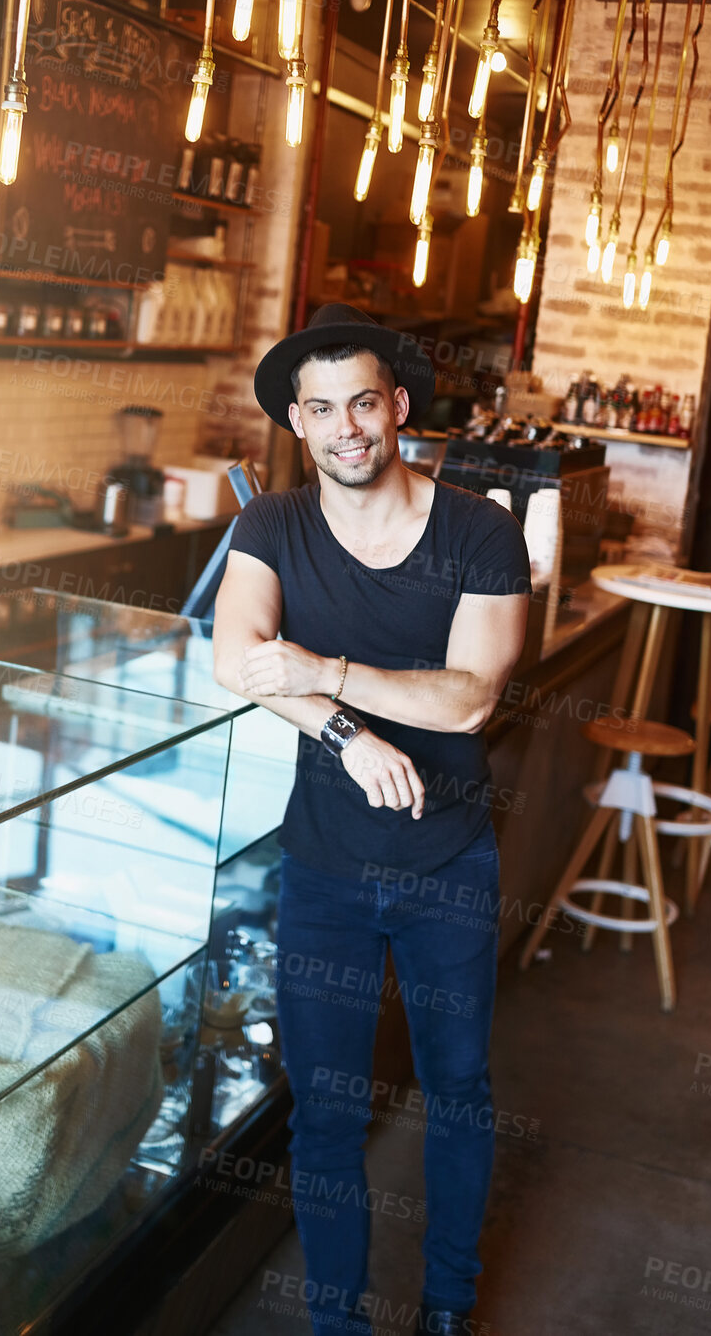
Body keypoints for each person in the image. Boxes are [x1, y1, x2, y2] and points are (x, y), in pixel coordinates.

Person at [213, 303, 531, 1336]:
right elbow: (237, 661)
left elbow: (470, 697)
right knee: (328, 1116)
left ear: (397, 406)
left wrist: (324, 673)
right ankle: (337, 1322)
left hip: (450, 862)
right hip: (325, 871)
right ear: (296, 424)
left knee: (459, 1091)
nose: (347, 427)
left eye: (364, 401)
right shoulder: (269, 526)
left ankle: (447, 1306)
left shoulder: (481, 531)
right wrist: (347, 733)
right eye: (322, 410)